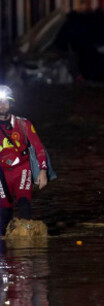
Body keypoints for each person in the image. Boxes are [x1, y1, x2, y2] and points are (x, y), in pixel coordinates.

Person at [0, 85, 49, 236]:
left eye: (5, 101)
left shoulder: (23, 124)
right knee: (4, 212)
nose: (2, 105)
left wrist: (43, 171)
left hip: (22, 168)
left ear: (11, 103)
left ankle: (27, 246)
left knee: (23, 203)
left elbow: (39, 148)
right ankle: (4, 253)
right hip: (1, 174)